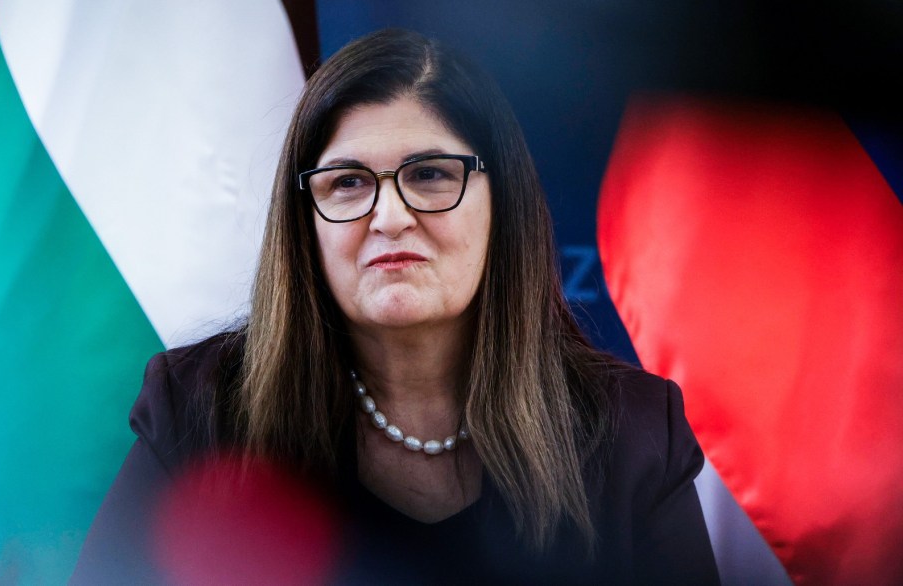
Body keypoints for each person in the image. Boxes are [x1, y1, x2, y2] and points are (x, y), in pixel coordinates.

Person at [72, 29, 720, 584]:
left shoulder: (632, 434)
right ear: (304, 223)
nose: (389, 217)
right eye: (348, 182)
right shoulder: (200, 413)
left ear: (504, 205)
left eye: (431, 174)